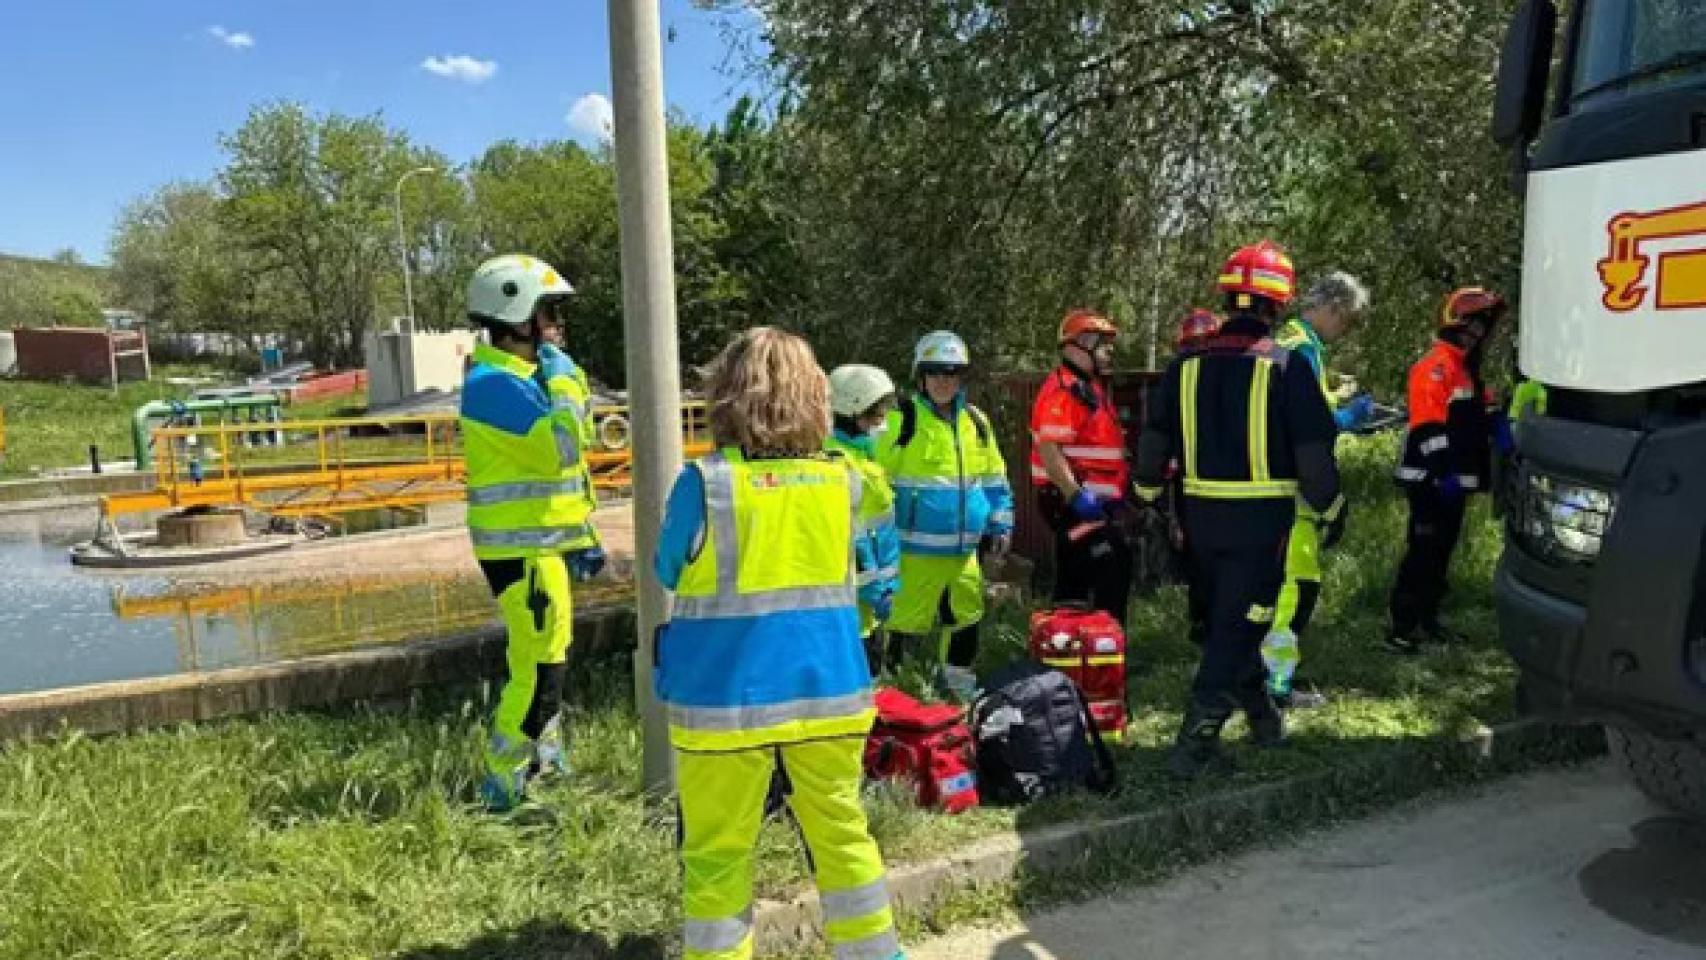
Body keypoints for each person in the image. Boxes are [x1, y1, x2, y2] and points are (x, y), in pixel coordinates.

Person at [654, 328, 902, 960]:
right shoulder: (845, 480)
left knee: (717, 856)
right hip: (829, 693)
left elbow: (667, 569)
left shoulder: (704, 484)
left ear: (726, 398)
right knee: (843, 837)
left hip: (723, 702)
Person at [1134, 241, 1345, 779]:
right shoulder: (1287, 365)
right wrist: (1332, 506)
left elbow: (1152, 449)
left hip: (1199, 521)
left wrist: (1148, 500)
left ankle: (1261, 718)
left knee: (1230, 620)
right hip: (1261, 526)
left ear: (1230, 296)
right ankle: (1195, 743)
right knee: (1237, 626)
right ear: (1280, 303)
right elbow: (1315, 463)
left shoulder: (1184, 365)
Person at [459, 253, 605, 811]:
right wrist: (567, 382)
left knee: (552, 656)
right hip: (520, 553)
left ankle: (543, 759)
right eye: (547, 312)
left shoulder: (524, 377)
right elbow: (561, 451)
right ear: (513, 315)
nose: (556, 325)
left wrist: (580, 535)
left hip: (542, 548)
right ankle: (502, 781)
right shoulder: (497, 385)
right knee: (538, 667)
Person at [877, 331, 1014, 701]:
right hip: (913, 554)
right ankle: (898, 697)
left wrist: (1001, 521)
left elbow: (993, 477)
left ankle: (958, 690)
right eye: (935, 372)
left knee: (967, 618)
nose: (943, 381)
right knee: (905, 624)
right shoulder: (899, 420)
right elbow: (874, 478)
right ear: (921, 376)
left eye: (952, 373)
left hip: (964, 553)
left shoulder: (976, 422)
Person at [1267, 271, 1373, 708]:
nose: (1343, 330)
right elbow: (1307, 423)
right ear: (1331, 308)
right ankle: (1275, 689)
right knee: (1292, 593)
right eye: (1345, 320)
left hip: (1289, 490)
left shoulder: (1291, 343)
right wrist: (1346, 419)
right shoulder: (1302, 349)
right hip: (1297, 491)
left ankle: (1273, 681)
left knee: (1292, 589)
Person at [1388, 287, 1507, 654]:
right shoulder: (1436, 366)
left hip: (1452, 481)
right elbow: (1429, 429)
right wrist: (1444, 474)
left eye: (1483, 326)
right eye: (1473, 324)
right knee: (1422, 552)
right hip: (1429, 480)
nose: (1478, 333)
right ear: (1456, 323)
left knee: (1440, 553)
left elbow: (1474, 416)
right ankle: (1401, 629)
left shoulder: (1464, 370)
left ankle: (1428, 621)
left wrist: (1499, 426)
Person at [1030, 309, 1133, 623]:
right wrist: (1075, 495)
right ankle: (1090, 649)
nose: (1108, 352)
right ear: (1080, 344)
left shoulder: (1087, 387)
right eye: (1102, 344)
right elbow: (1049, 448)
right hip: (1073, 502)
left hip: (1093, 501)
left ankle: (1091, 652)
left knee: (1088, 575)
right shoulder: (1065, 390)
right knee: (1106, 568)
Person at [828, 363, 903, 674]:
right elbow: (851, 538)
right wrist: (876, 590)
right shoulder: (838, 465)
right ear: (852, 413)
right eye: (876, 415)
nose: (883, 425)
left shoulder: (859, 457)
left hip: (867, 607)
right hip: (853, 608)